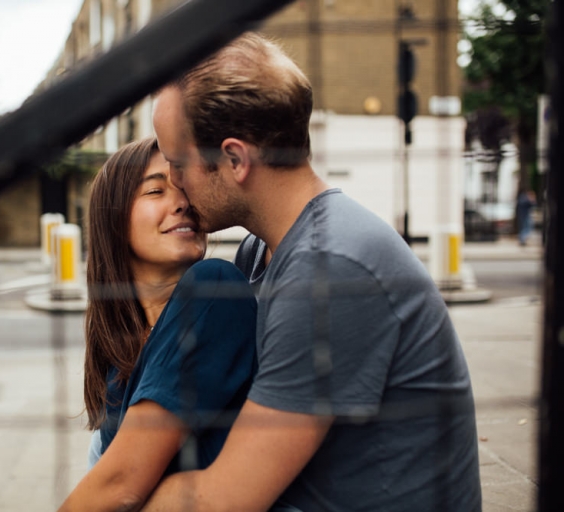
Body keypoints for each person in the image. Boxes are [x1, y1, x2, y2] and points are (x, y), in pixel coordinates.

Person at [144, 32, 481, 511]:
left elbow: (223, 501)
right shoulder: (260, 251)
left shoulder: (331, 265)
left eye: (178, 163)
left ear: (236, 159)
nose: (175, 184)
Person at [58, 137, 258, 511]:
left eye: (185, 188)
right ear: (113, 219)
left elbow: (120, 483)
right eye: (155, 190)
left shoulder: (214, 289)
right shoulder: (122, 356)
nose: (182, 201)